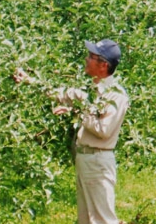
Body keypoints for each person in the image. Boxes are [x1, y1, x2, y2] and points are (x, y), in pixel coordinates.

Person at [14, 38, 128, 224]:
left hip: (98, 161)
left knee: (102, 219)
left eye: (91, 56)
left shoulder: (116, 95)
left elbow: (104, 130)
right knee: (85, 219)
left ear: (103, 65)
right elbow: (58, 93)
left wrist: (77, 111)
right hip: (84, 159)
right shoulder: (89, 90)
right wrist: (28, 81)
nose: (86, 59)